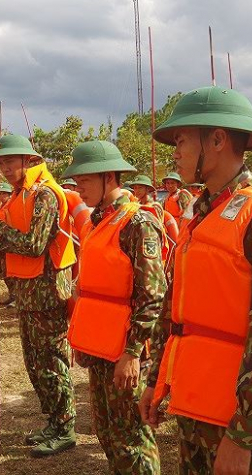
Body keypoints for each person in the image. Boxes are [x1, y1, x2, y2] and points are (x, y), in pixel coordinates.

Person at [139, 86, 252, 474]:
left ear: (217, 139)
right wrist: (157, 379)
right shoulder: (202, 211)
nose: (174, 151)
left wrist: (243, 435)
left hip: (241, 425)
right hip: (196, 407)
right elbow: (180, 312)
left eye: (181, 140)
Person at [63, 140, 165, 473]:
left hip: (124, 351)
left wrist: (133, 352)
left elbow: (152, 296)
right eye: (76, 183)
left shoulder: (138, 224)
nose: (79, 189)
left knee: (132, 439)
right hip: (100, 349)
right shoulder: (95, 222)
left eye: (85, 181)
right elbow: (90, 288)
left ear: (110, 177)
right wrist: (83, 341)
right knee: (108, 434)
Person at [0, 134, 77, 457]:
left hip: (48, 294)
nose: (5, 168)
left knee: (52, 362)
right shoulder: (18, 197)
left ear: (28, 160)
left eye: (10, 161)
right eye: (1, 163)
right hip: (27, 295)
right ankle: (53, 420)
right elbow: (11, 242)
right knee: (34, 364)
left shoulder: (45, 195)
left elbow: (35, 245)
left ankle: (66, 427)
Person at [0, 182, 16, 308]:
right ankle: (12, 295)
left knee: (11, 272)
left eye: (4, 194)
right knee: (4, 272)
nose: (1, 196)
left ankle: (16, 297)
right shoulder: (0, 208)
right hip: (1, 244)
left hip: (10, 243)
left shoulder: (11, 207)